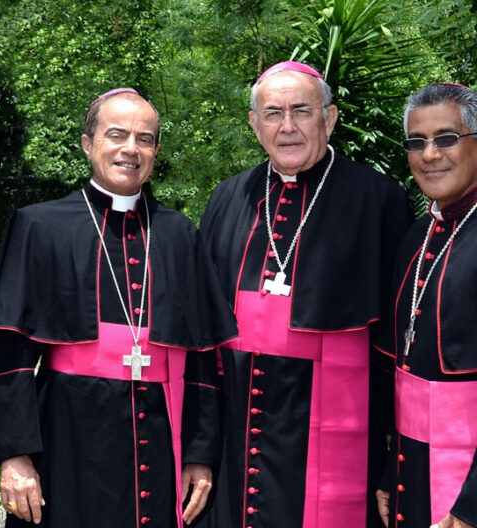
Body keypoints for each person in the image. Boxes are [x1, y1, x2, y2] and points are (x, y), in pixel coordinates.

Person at [0, 88, 237, 528]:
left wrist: (199, 454)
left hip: (160, 438)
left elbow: (202, 359)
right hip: (67, 438)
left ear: (155, 152)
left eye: (144, 139)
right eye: (116, 135)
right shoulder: (38, 226)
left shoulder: (179, 234)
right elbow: (11, 359)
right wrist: (15, 455)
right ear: (88, 143)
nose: (130, 149)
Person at [197, 61, 413, 528]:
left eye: (302, 111)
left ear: (329, 118)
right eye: (273, 113)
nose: (287, 126)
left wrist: (392, 457)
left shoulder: (379, 200)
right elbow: (202, 335)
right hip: (236, 437)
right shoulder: (227, 198)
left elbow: (399, 345)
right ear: (255, 124)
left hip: (335, 434)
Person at [374, 83, 477, 528]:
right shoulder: (417, 236)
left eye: (446, 138)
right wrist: (389, 470)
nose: (430, 154)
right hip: (412, 472)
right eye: (417, 142)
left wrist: (472, 504)